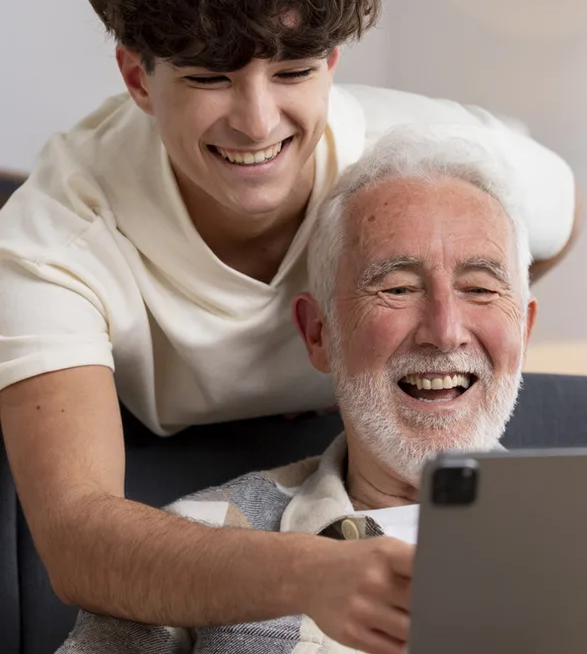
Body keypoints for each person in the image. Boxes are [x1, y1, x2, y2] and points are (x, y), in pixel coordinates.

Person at [0, 0, 578, 650]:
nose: (258, 121)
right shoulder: (54, 237)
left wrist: (440, 354)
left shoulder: (422, 155)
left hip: (359, 440)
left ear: (332, 63)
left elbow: (561, 219)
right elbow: (78, 537)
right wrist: (313, 574)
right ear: (138, 77)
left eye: (295, 70)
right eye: (211, 78)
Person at [56, 123, 537, 653]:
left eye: (480, 288)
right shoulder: (188, 548)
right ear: (318, 334)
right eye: (397, 288)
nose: (444, 331)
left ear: (525, 329)